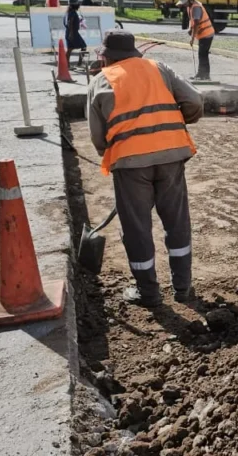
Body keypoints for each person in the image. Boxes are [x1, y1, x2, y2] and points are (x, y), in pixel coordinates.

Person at [87, 30, 204, 307]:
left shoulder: (100, 80)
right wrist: (176, 122)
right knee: (177, 221)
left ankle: (149, 293)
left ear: (106, 57)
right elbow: (195, 101)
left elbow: (97, 136)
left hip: (130, 165)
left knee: (137, 227)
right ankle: (183, 288)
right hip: (171, 156)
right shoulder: (159, 68)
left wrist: (115, 153)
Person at [177, 0, 214, 81]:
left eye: (184, 3)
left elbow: (197, 23)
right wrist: (190, 29)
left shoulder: (196, 7)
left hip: (207, 34)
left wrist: (192, 39)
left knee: (203, 54)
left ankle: (204, 75)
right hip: (203, 34)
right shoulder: (190, 6)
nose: (183, 5)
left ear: (188, 1)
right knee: (202, 54)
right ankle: (201, 74)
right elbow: (192, 21)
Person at [64, 0, 86, 67]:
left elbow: (70, 22)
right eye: (78, 4)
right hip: (73, 33)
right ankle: (79, 63)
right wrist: (71, 33)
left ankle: (67, 64)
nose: (79, 6)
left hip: (69, 32)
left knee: (70, 49)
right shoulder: (72, 12)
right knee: (84, 46)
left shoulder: (68, 12)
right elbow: (70, 22)